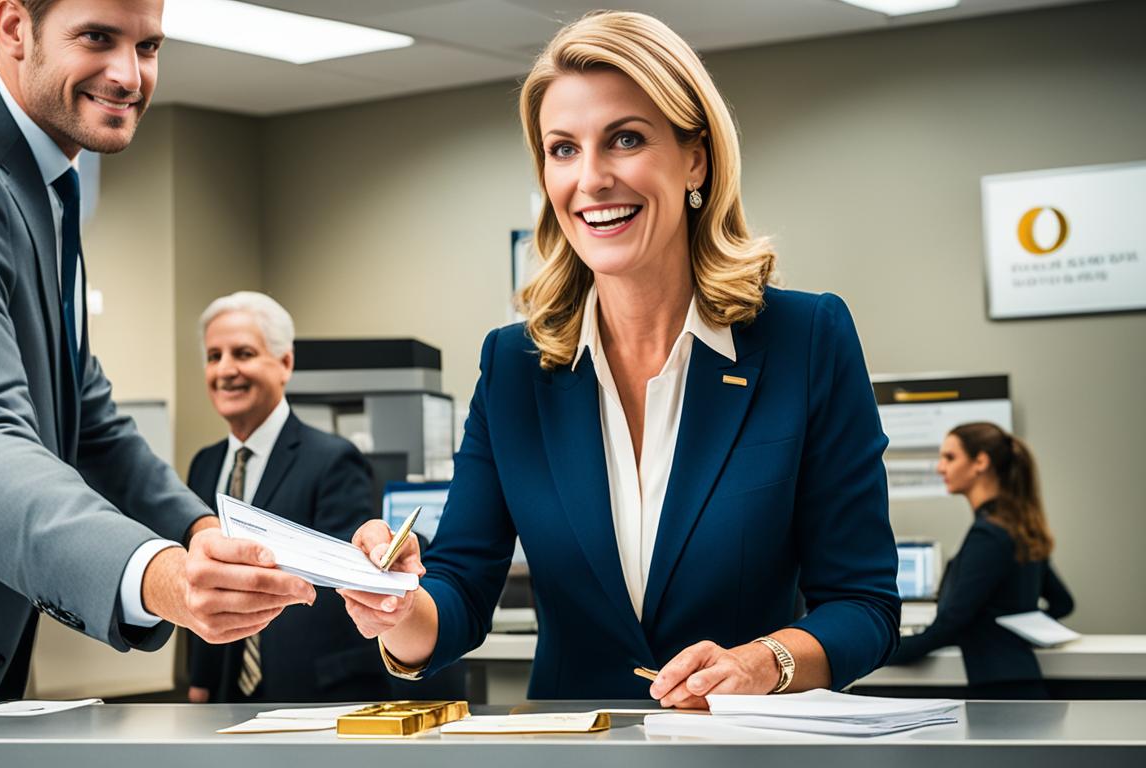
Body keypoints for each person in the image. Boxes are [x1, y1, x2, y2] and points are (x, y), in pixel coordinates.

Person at [340, 10, 900, 706]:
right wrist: (396, 607)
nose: (593, 178)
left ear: (695, 155)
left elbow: (865, 603)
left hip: (743, 753)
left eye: (626, 139)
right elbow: (459, 589)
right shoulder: (514, 365)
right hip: (578, 750)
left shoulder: (805, 339)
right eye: (563, 149)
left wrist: (765, 662)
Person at [0, 0, 313, 711]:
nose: (129, 74)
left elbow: (90, 422)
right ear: (14, 27)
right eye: (98, 38)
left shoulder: (42, 190)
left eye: (149, 45)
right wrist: (158, 576)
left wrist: (203, 533)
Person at [184, 292, 390, 703]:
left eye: (242, 353)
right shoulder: (204, 466)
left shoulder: (334, 460)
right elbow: (203, 579)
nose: (225, 370)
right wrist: (201, 681)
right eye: (213, 356)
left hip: (313, 696)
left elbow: (344, 588)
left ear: (285, 363)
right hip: (228, 700)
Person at [890, 423, 1073, 699]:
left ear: (980, 462)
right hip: (1019, 685)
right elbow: (1062, 603)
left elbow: (950, 623)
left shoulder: (988, 535)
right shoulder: (1019, 528)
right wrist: (1014, 626)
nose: (941, 468)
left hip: (999, 692)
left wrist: (881, 652)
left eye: (950, 458)